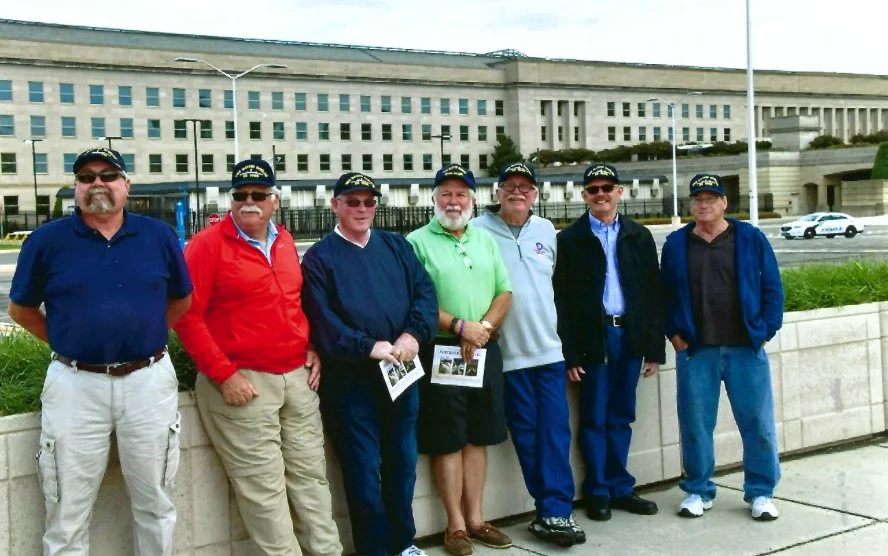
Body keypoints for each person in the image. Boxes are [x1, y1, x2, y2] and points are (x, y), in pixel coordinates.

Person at [8, 146, 193, 555]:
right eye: (86, 177)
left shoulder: (158, 236)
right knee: (66, 511)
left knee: (156, 505)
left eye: (108, 175)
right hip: (75, 386)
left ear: (126, 185)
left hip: (148, 383)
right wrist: (65, 341)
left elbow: (182, 300)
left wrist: (143, 334)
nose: (97, 184)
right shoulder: (45, 242)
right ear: (76, 187)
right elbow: (20, 309)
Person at [173, 159, 341, 556]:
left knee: (312, 479)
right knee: (264, 493)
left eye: (259, 195)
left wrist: (309, 345)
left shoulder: (283, 240)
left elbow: (289, 303)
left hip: (296, 379)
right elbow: (185, 315)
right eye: (241, 195)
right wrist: (223, 375)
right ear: (231, 199)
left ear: (274, 200)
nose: (249, 202)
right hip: (243, 383)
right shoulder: (208, 245)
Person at [300, 171, 438, 556]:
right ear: (335, 206)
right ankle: (375, 550)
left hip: (402, 376)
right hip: (352, 383)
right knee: (362, 472)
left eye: (368, 202)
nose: (362, 209)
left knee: (403, 464)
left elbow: (425, 295)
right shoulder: (319, 258)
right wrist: (367, 346)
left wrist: (413, 335)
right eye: (352, 202)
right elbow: (322, 321)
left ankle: (403, 543)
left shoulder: (396, 246)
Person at [473, 162, 585, 547]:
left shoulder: (545, 232)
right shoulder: (477, 231)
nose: (517, 192)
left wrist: (569, 349)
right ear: (498, 192)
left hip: (549, 353)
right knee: (526, 435)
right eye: (509, 186)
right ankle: (546, 509)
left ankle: (558, 511)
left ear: (535, 195)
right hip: (509, 356)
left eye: (525, 186)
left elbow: (558, 291)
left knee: (555, 433)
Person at [660, 174, 784, 521]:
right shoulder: (676, 243)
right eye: (698, 199)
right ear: (691, 204)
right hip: (697, 351)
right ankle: (699, 490)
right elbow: (663, 295)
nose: (704, 204)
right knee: (696, 424)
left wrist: (764, 331)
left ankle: (760, 492)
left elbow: (773, 288)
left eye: (712, 198)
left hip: (746, 347)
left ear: (725, 203)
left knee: (758, 422)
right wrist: (675, 334)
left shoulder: (750, 238)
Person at [407, 163, 513, 556]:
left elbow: (505, 292)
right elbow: (416, 301)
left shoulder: (484, 240)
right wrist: (459, 326)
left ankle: (477, 519)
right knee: (447, 438)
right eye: (446, 194)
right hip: (442, 349)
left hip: (483, 347)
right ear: (434, 199)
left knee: (478, 436)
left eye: (461, 194)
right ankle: (454, 527)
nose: (454, 201)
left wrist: (482, 327)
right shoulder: (416, 242)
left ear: (472, 199)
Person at [553, 162, 664, 522]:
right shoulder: (570, 240)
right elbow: (562, 302)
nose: (601, 194)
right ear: (584, 195)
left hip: (629, 337)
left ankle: (621, 487)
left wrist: (654, 349)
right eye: (593, 189)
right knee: (594, 418)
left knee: (621, 416)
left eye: (607, 188)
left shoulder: (639, 236)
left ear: (620, 191)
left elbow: (651, 294)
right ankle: (597, 490)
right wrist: (570, 353)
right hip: (592, 339)